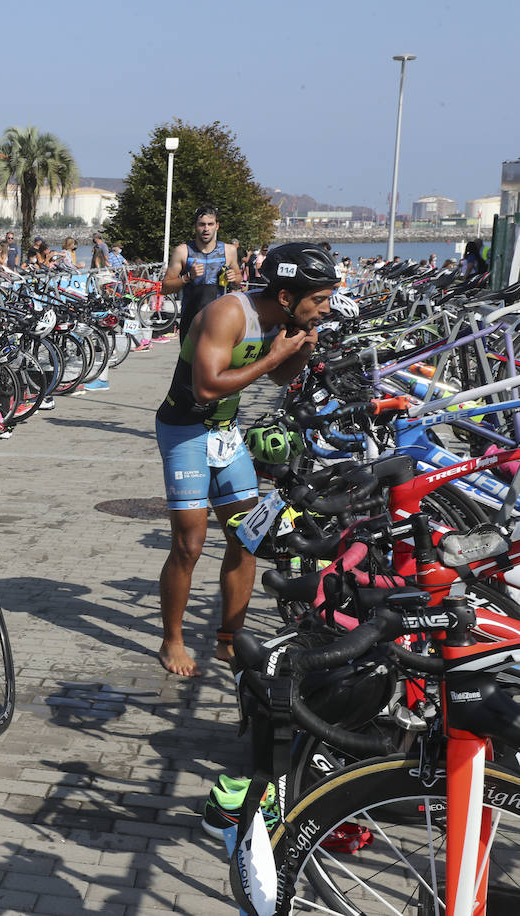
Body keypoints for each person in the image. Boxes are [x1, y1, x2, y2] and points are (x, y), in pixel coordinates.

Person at [154, 243, 335, 677]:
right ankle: (172, 641)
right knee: (189, 545)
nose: (326, 309)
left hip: (224, 433)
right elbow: (207, 388)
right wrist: (276, 354)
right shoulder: (229, 314)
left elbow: (276, 376)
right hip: (184, 430)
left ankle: (229, 641)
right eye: (319, 299)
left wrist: (301, 351)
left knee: (247, 537)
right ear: (287, 297)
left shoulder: (281, 320)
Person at [162, 206, 241, 342]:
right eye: (202, 224)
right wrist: (187, 277)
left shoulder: (229, 251)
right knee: (189, 363)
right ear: (195, 226)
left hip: (219, 320)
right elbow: (165, 287)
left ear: (217, 226)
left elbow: (239, 280)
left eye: (210, 224)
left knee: (215, 363)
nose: (206, 229)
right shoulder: (183, 251)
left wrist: (234, 278)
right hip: (191, 320)